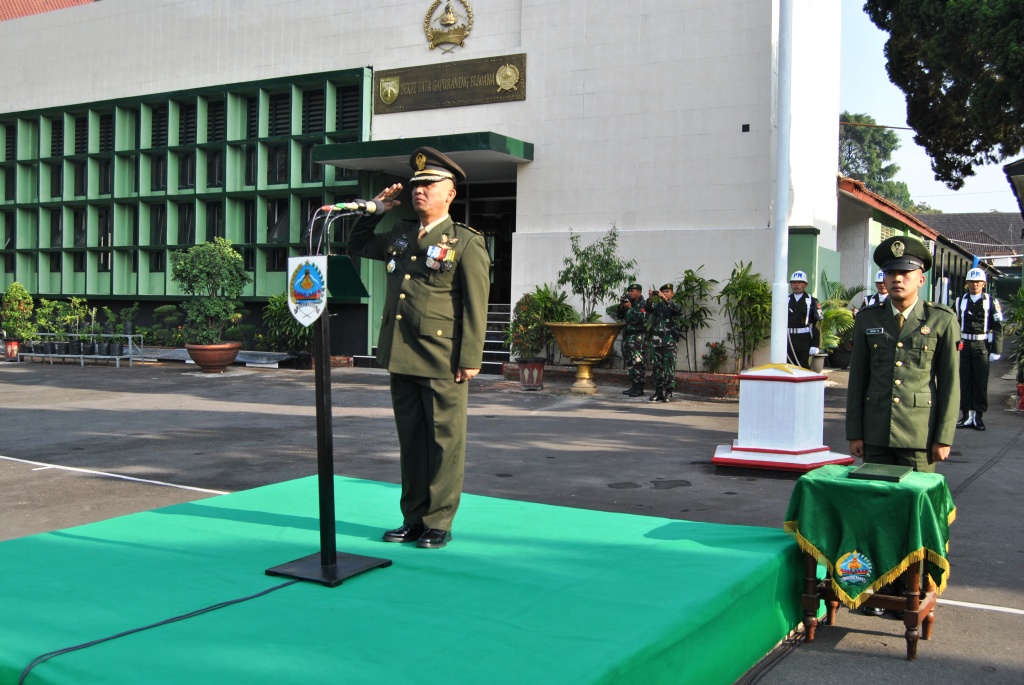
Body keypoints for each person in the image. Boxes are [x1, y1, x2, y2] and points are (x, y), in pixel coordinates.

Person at [347, 147, 491, 549]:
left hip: (442, 358)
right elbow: (357, 245)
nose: (419, 190)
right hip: (401, 353)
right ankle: (412, 518)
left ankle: (438, 521)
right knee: (411, 442)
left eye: (429, 184)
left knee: (445, 442)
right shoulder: (401, 233)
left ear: (450, 194)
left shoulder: (465, 242)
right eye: (416, 185)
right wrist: (374, 211)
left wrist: (470, 358)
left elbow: (475, 304)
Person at [846, 235, 960, 476]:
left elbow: (950, 384)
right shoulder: (867, 318)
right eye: (890, 272)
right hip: (876, 434)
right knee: (876, 495)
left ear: (921, 279)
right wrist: (855, 433)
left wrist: (943, 437)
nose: (897, 278)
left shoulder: (941, 319)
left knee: (916, 497)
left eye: (905, 272)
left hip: (919, 434)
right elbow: (857, 379)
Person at [955, 268, 1003, 431]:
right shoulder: (959, 301)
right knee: (964, 381)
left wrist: (996, 349)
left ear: (983, 283)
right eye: (971, 282)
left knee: (980, 382)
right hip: (964, 345)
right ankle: (966, 415)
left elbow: (998, 326)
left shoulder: (991, 301)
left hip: (982, 345)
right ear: (967, 283)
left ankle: (978, 417)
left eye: (978, 282)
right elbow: (953, 324)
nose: (974, 285)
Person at [646, 283, 681, 402]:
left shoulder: (674, 305)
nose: (665, 294)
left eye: (667, 292)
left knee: (669, 367)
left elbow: (677, 310)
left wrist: (665, 299)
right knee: (656, 368)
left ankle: (669, 392)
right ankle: (658, 391)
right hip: (657, 341)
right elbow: (648, 309)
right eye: (663, 292)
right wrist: (650, 298)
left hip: (669, 341)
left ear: (672, 294)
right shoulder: (658, 306)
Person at [616, 283, 648, 397]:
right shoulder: (629, 303)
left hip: (638, 337)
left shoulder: (644, 304)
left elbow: (642, 318)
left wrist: (630, 308)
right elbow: (620, 316)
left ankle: (639, 387)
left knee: (638, 362)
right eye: (629, 291)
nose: (630, 293)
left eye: (632, 291)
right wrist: (621, 306)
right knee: (629, 361)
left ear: (639, 292)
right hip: (628, 336)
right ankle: (634, 385)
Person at [786, 271, 822, 368]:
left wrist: (815, 344)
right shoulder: (786, 299)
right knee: (788, 368)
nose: (796, 285)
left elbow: (817, 324)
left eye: (799, 282)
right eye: (793, 282)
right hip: (789, 339)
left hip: (804, 339)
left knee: (803, 367)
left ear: (805, 285)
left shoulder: (812, 301)